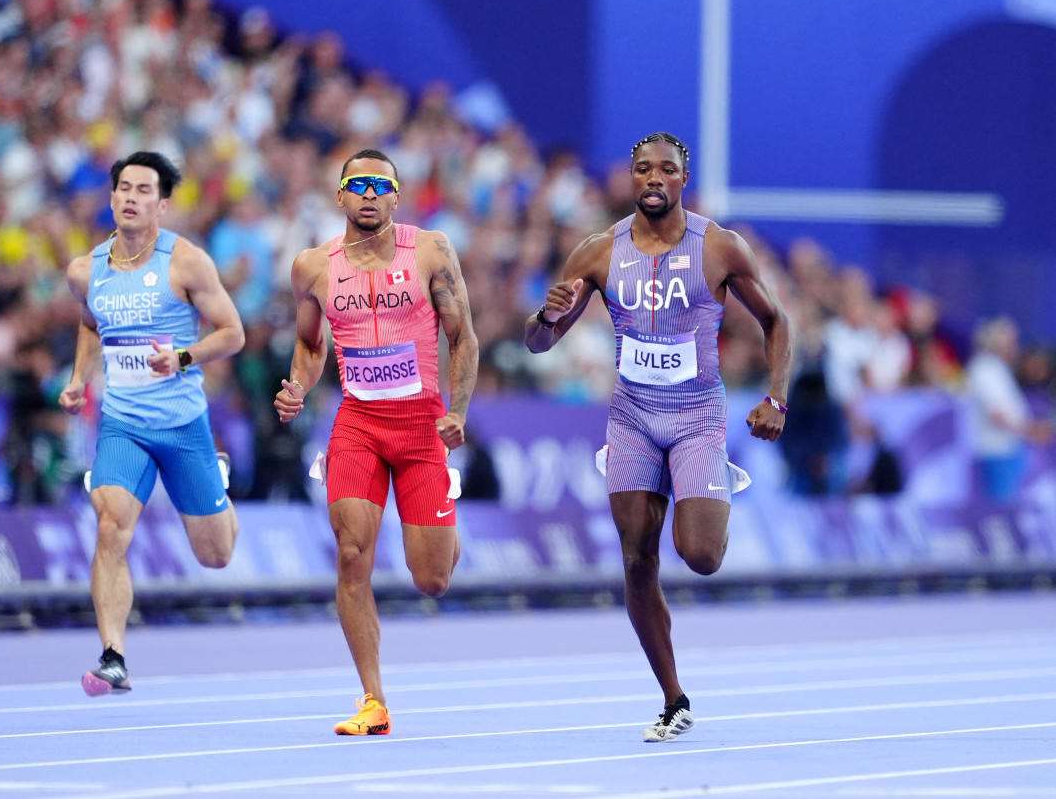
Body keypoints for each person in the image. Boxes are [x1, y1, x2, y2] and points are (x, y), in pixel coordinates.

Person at [524, 132, 792, 742]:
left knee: (699, 556)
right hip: (632, 418)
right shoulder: (596, 253)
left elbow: (777, 321)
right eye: (642, 169)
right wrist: (546, 315)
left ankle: (710, 486)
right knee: (637, 557)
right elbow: (539, 344)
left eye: (665, 170)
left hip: (697, 415)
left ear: (681, 180)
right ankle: (674, 698)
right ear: (629, 177)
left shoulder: (719, 247)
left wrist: (776, 396)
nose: (653, 179)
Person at [274, 148, 479, 735]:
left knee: (431, 578)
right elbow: (312, 348)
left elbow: (464, 340)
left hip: (421, 425)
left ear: (396, 196)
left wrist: (458, 411)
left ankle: (443, 510)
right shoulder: (312, 267)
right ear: (340, 196)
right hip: (358, 423)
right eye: (356, 184)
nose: (368, 193)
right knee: (350, 553)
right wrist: (298, 387)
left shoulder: (432, 252)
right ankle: (374, 700)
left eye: (379, 185)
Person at [59, 151, 246, 697]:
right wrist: (78, 379)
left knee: (216, 555)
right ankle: (113, 654)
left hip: (183, 424)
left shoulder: (186, 263)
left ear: (162, 205)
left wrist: (184, 357)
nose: (131, 198)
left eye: (144, 190)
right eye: (123, 188)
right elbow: (92, 325)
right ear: (111, 197)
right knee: (110, 525)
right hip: (122, 423)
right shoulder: (84, 270)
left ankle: (217, 478)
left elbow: (233, 333)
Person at [964, 315, 1052, 502]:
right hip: (994, 451)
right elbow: (997, 414)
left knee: (1008, 503)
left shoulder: (1000, 368)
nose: (1015, 346)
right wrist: (1029, 430)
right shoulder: (984, 368)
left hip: (1009, 448)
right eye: (1010, 341)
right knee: (998, 508)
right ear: (996, 342)